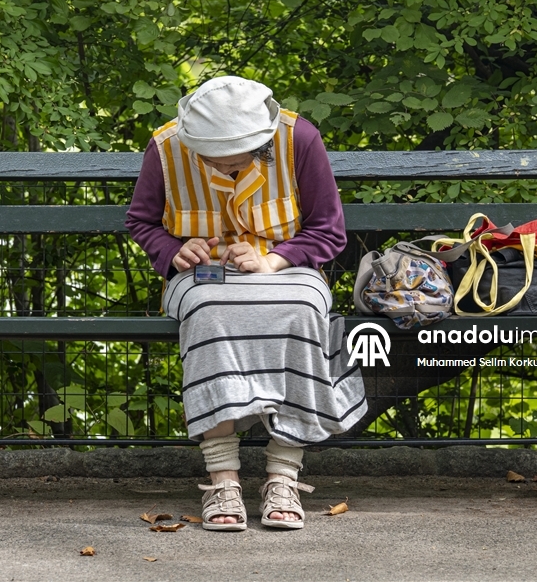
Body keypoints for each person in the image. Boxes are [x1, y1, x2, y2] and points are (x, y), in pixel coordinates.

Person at [125, 75, 366, 531]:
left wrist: (273, 260)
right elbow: (141, 222)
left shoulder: (299, 139)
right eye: (211, 158)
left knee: (301, 311)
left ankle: (284, 476)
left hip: (289, 270)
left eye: (235, 159)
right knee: (210, 314)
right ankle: (223, 480)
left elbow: (328, 230)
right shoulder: (164, 147)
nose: (223, 166)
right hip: (202, 277)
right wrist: (173, 251)